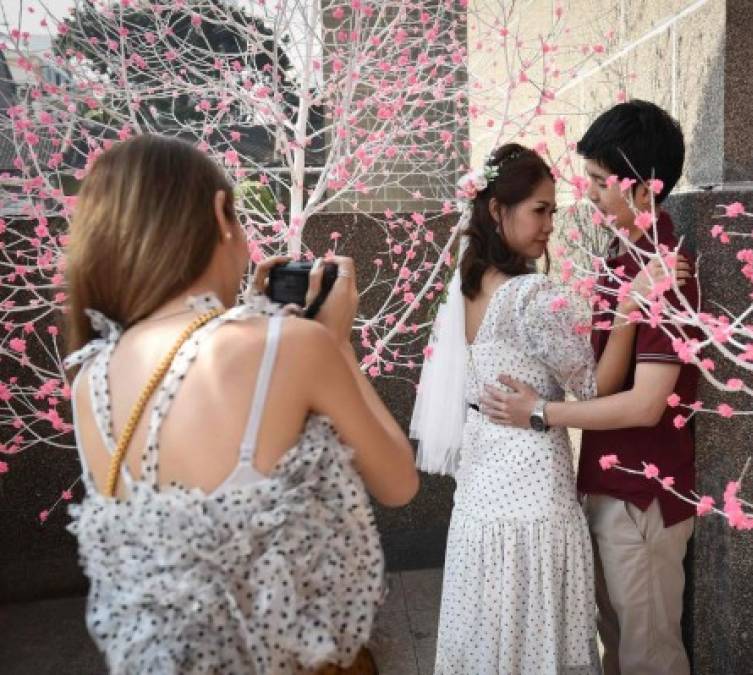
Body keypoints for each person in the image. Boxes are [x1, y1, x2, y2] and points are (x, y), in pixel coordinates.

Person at [62, 134, 418, 674]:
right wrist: (338, 344)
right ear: (220, 214)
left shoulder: (88, 378)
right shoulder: (286, 346)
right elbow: (399, 483)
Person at [413, 142, 673, 675]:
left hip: (479, 497)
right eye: (540, 209)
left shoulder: (463, 290)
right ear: (495, 210)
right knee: (537, 642)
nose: (550, 224)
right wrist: (629, 306)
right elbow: (599, 386)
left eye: (553, 210)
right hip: (533, 492)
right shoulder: (531, 296)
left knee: (489, 637)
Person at [481, 100, 700, 675]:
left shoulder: (665, 276)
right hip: (609, 486)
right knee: (617, 647)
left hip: (642, 498)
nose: (593, 196)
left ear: (647, 190)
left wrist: (540, 413)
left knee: (647, 654)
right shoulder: (623, 265)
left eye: (603, 183)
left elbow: (647, 403)